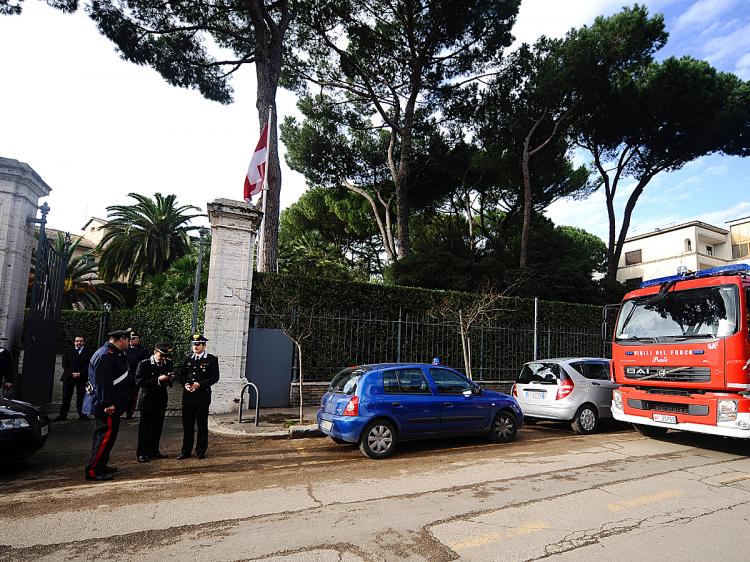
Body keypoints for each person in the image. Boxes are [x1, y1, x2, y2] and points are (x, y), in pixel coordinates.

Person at [82, 328, 132, 482]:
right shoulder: (105, 355)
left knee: (108, 438)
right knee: (104, 437)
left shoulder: (112, 353)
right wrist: (108, 403)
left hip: (112, 403)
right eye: (128, 340)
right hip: (106, 405)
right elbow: (103, 383)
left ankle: (101, 464)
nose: (129, 344)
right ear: (122, 339)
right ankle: (92, 470)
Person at [177, 333, 219, 460]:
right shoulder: (188, 359)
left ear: (204, 346)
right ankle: (186, 450)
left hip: (202, 396)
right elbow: (182, 374)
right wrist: (185, 384)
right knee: (187, 424)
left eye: (198, 344)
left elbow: (215, 377)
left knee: (201, 424)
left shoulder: (211, 359)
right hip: (188, 396)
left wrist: (200, 384)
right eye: (194, 344)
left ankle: (201, 450)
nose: (196, 346)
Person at [135, 342, 176, 463]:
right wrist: (157, 380)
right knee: (145, 428)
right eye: (161, 355)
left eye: (165, 356)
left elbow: (169, 380)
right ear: (155, 352)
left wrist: (170, 379)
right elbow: (139, 381)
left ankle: (154, 450)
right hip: (147, 399)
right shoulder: (144, 364)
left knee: (157, 426)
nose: (163, 358)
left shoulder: (168, 363)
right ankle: (142, 453)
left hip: (161, 399)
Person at [53, 335, 93, 421]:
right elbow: (64, 364)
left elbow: (89, 365)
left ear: (84, 342)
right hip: (68, 377)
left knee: (82, 397)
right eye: (77, 341)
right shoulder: (68, 351)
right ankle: (62, 416)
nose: (79, 343)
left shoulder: (88, 352)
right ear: (74, 342)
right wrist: (72, 373)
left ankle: (82, 415)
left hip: (83, 378)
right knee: (66, 397)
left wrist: (80, 373)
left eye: (81, 341)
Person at [124, 333, 149, 419]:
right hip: (125, 376)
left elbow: (145, 363)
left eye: (134, 338)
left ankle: (129, 413)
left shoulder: (143, 350)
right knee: (124, 394)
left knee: (133, 395)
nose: (131, 340)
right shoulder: (125, 349)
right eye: (130, 338)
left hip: (136, 376)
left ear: (138, 340)